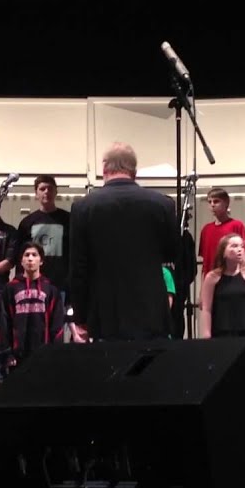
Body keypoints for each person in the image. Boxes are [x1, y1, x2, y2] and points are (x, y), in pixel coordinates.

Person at [69, 143, 177, 342]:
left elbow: (78, 267)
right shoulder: (163, 204)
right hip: (150, 311)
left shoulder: (83, 207)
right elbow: (171, 253)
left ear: (104, 170)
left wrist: (81, 316)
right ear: (134, 171)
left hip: (105, 312)